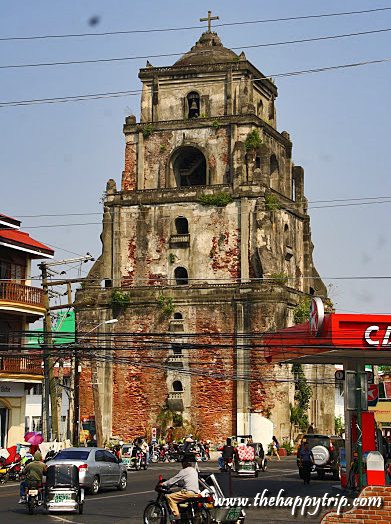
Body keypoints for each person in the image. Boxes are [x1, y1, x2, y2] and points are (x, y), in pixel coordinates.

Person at [160, 457, 200, 522]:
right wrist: (179, 484)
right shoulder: (193, 470)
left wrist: (163, 484)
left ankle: (177, 517)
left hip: (188, 493)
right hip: (196, 493)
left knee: (169, 497)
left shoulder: (184, 471)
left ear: (184, 463)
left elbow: (173, 479)